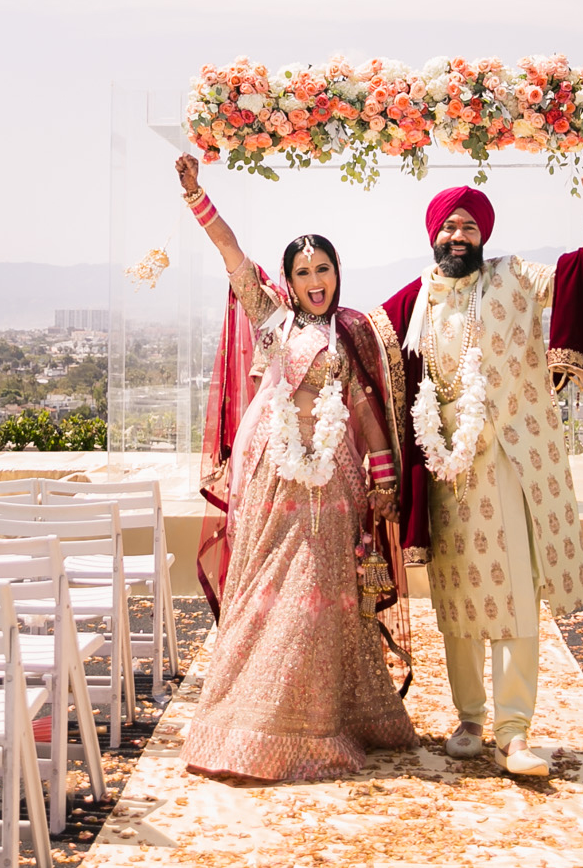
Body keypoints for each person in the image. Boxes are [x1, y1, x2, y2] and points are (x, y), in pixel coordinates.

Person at [366, 168, 583, 776]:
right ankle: (470, 719)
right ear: (434, 235)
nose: (459, 235)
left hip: (509, 462)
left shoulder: (516, 277)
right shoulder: (414, 301)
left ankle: (514, 731)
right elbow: (356, 344)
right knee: (457, 603)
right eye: (449, 226)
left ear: (484, 236)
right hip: (448, 471)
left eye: (469, 227)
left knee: (513, 600)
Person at [173, 154, 418, 781]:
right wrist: (199, 198)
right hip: (273, 469)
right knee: (268, 589)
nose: (316, 279)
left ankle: (327, 718)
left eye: (324, 269)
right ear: (287, 279)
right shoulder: (272, 319)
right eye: (304, 270)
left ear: (338, 274)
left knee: (327, 592)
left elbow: (363, 407)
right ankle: (254, 721)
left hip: (333, 477)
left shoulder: (351, 331)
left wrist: (384, 480)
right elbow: (230, 253)